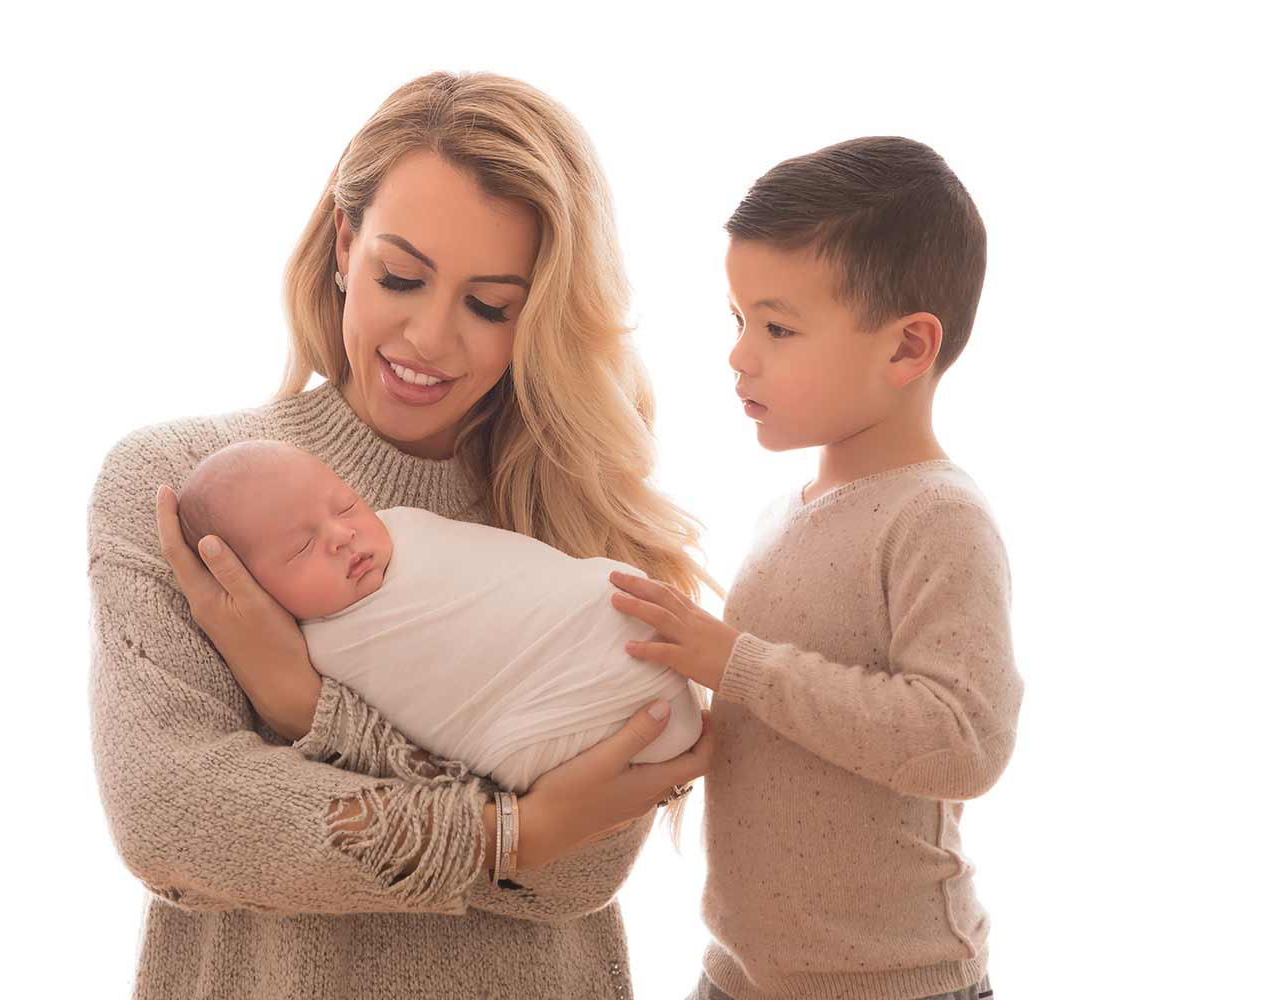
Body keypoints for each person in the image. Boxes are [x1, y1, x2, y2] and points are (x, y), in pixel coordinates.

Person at [87, 71, 713, 1000]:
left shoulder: (571, 518)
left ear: (537, 313)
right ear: (345, 244)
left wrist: (305, 709)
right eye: (401, 276)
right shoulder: (177, 492)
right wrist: (515, 834)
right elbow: (177, 815)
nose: (430, 337)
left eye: (489, 304)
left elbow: (583, 873)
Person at [609, 137, 1024, 1000]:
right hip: (740, 973)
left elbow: (965, 742)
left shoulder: (937, 517)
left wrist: (735, 663)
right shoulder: (782, 516)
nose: (739, 354)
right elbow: (779, 726)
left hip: (896, 982)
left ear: (908, 349)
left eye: (778, 327)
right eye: (738, 321)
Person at [174, 438, 703, 793]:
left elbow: (525, 577)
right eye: (300, 548)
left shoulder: (407, 526)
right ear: (250, 590)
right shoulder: (323, 656)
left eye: (344, 507)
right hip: (547, 726)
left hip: (610, 629)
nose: (341, 537)